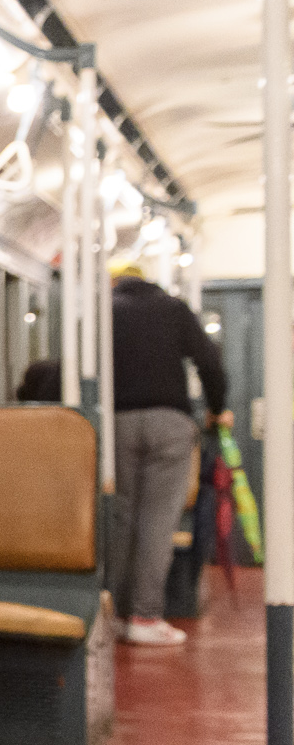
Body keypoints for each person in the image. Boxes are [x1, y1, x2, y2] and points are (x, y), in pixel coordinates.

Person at [110, 264, 227, 646]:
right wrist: (216, 408)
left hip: (117, 422)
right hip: (169, 420)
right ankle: (145, 617)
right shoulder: (174, 308)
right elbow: (209, 362)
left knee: (121, 518)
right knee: (158, 521)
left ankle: (114, 615)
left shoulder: (105, 309)